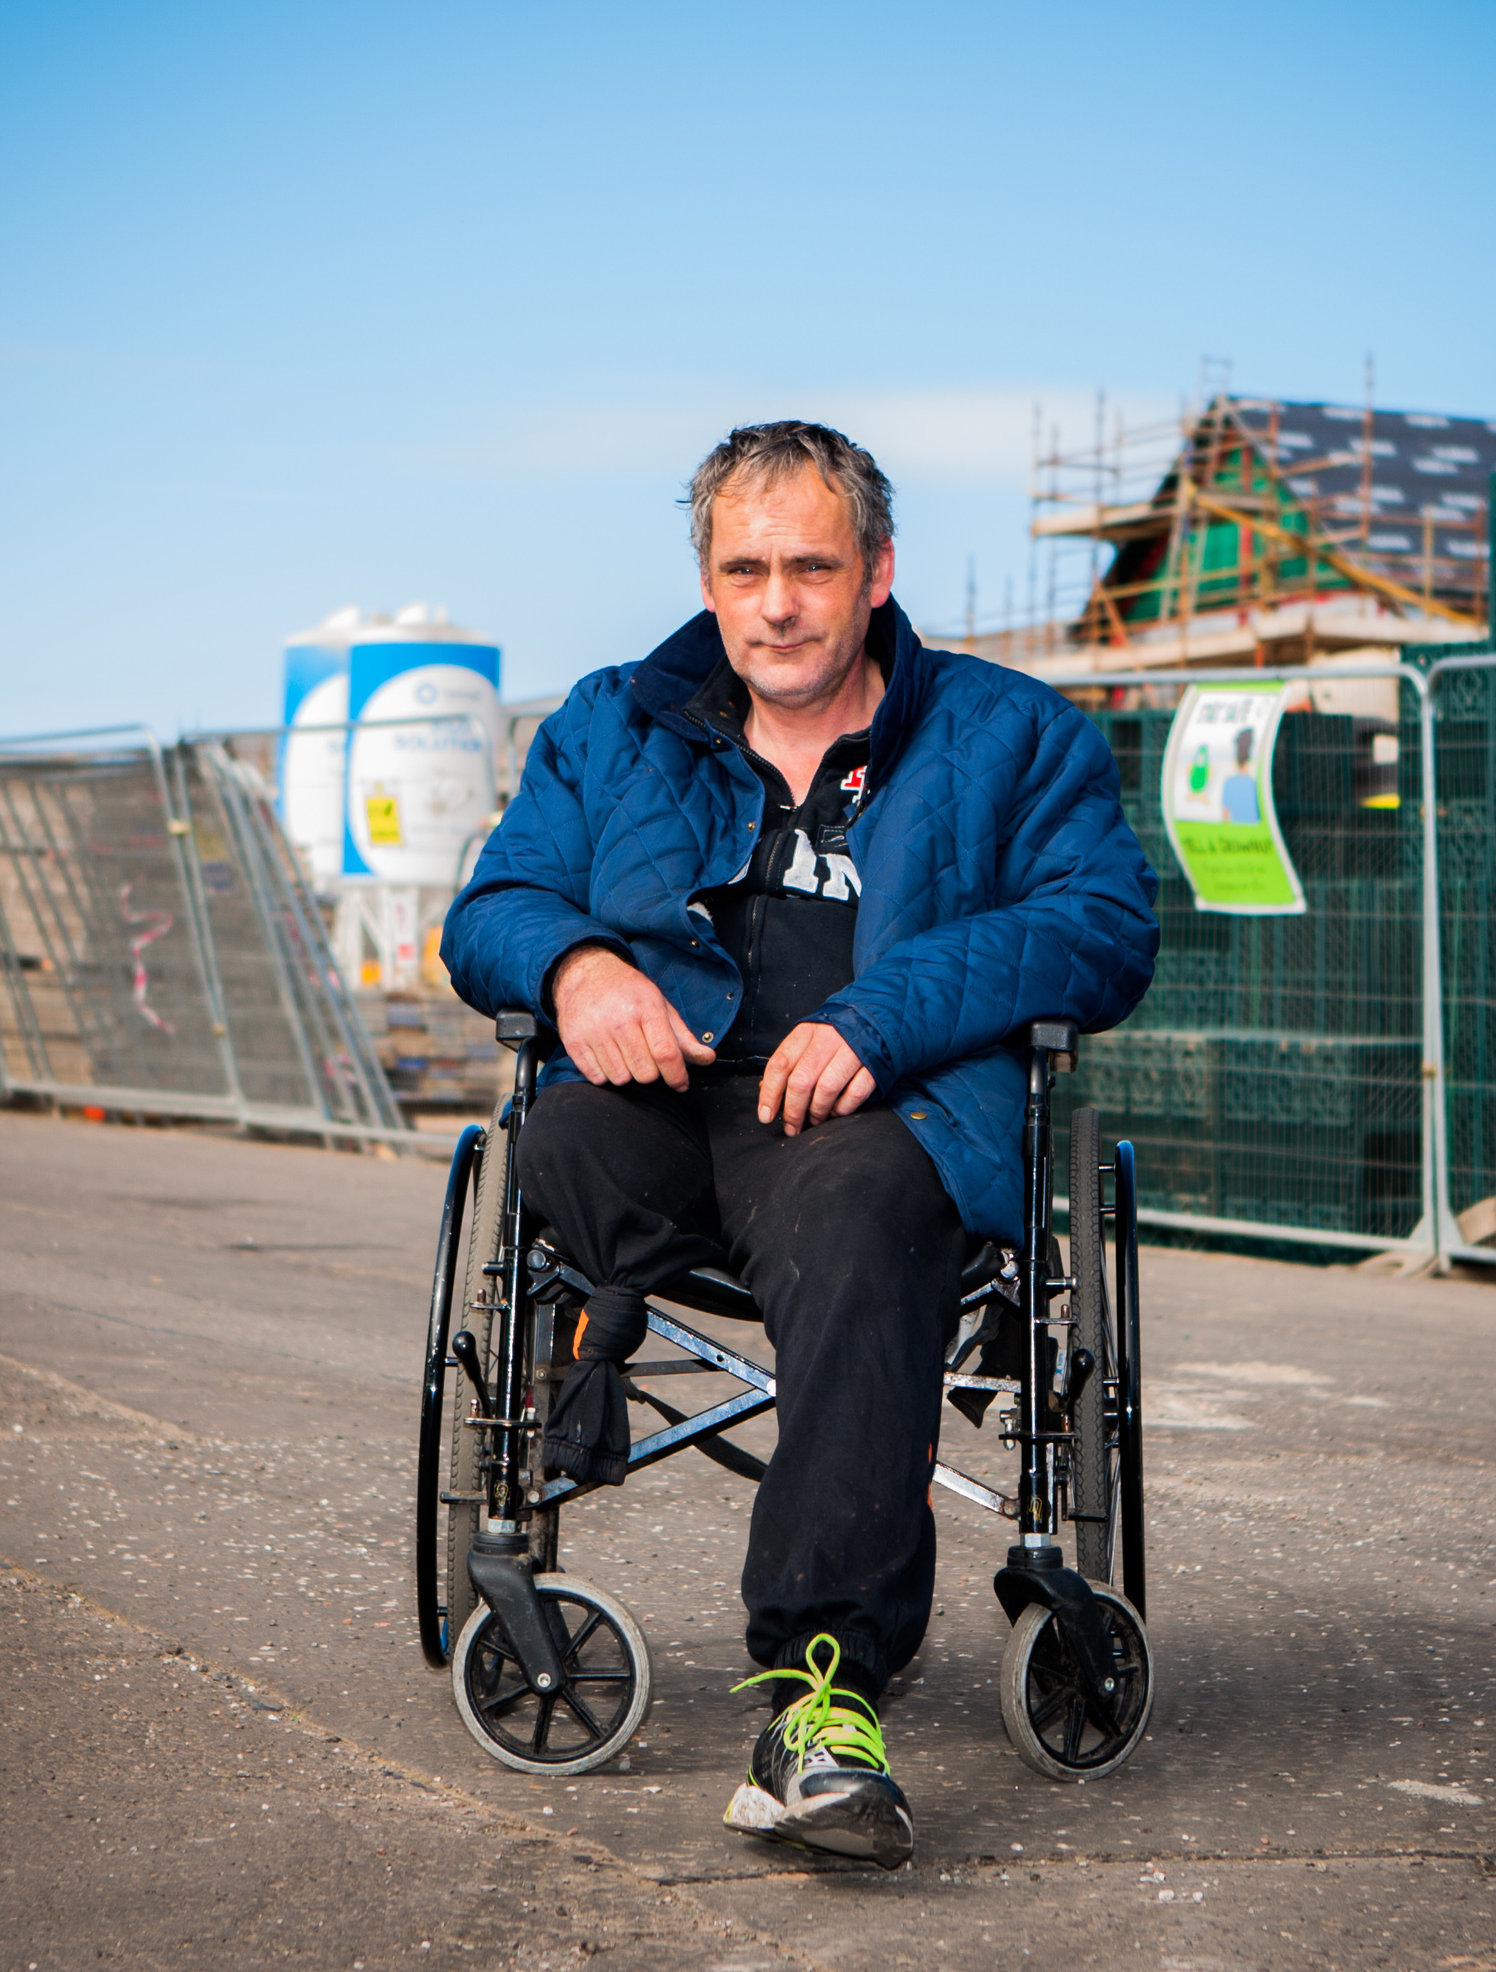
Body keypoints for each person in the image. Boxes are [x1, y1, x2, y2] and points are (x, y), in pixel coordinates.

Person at [441, 420, 1158, 1866]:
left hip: (866, 1129)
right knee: (564, 1144)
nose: (778, 603)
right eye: (746, 569)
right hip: (642, 1129)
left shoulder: (1009, 737)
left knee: (861, 1216)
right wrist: (576, 967)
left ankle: (818, 1700)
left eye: (812, 569)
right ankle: (584, 1345)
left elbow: (1102, 927)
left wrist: (885, 1016)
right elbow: (492, 905)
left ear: (876, 571)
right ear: (709, 582)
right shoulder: (609, 724)